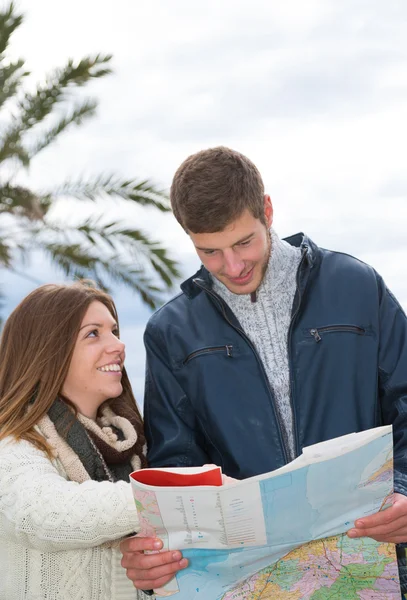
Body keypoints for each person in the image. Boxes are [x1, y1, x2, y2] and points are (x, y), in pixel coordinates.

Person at [120, 146, 407, 596]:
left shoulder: (357, 286)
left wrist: (406, 490)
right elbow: (176, 465)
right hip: (251, 580)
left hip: (369, 562)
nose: (232, 267)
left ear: (267, 211)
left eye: (243, 242)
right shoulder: (170, 332)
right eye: (209, 252)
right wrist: (157, 552)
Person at [0, 281, 153, 600]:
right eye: (93, 333)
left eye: (114, 331)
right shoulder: (13, 440)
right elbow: (41, 512)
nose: (117, 345)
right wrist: (175, 496)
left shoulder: (132, 443)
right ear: (47, 350)